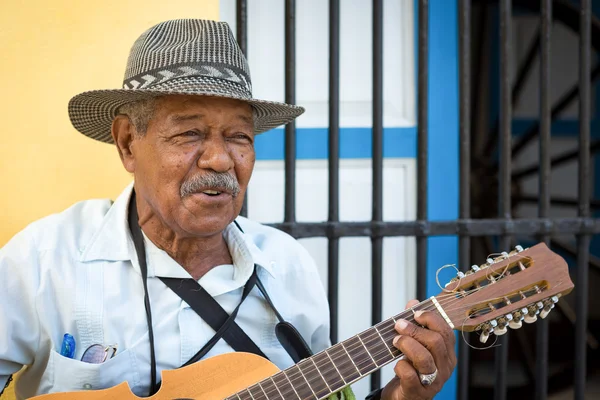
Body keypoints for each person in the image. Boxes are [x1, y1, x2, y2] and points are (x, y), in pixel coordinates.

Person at [0, 19, 456, 400]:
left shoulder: (287, 267)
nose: (220, 160)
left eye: (239, 137)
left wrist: (400, 395)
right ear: (127, 143)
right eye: (189, 134)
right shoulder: (44, 261)